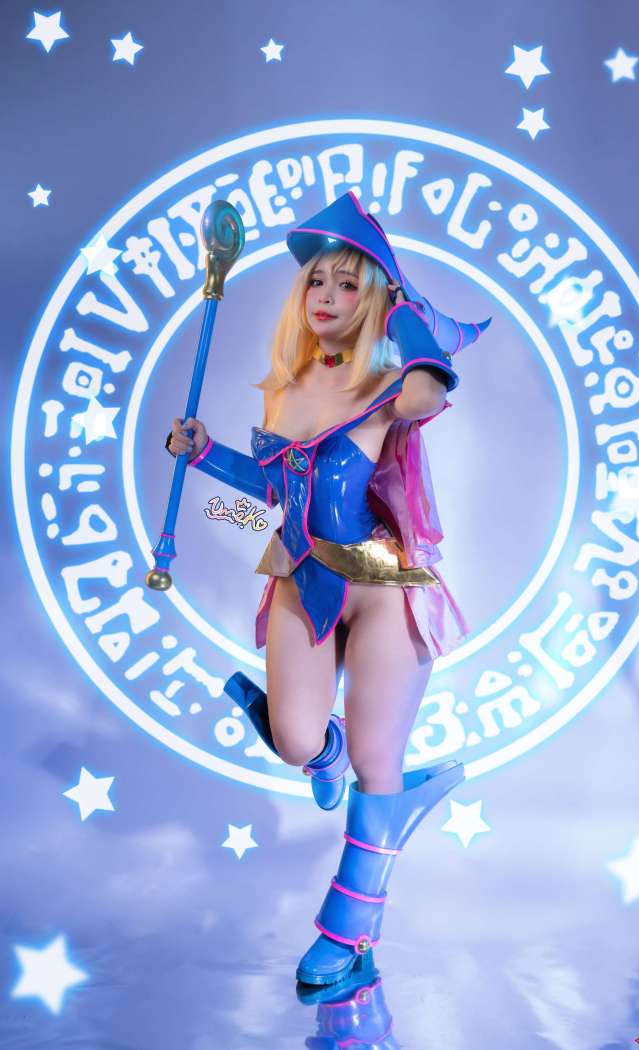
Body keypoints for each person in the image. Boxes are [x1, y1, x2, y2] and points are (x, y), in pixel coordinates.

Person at [166, 191, 490, 988]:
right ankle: (330, 754)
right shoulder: (285, 386)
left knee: (379, 763)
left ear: (375, 298)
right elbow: (273, 496)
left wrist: (406, 310)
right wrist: (204, 455)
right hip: (300, 574)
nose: (328, 296)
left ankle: (347, 933)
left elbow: (432, 390)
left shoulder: (387, 382)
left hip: (379, 585)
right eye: (318, 280)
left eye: (350, 283)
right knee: (297, 740)